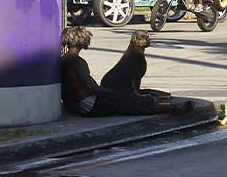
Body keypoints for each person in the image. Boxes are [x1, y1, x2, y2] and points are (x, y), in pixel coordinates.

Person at [60, 27, 191, 117]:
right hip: (90, 106)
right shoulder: (77, 62)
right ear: (81, 41)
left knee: (128, 99)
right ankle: (173, 108)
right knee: (131, 102)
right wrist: (114, 93)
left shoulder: (63, 59)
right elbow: (92, 88)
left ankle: (168, 105)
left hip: (77, 105)